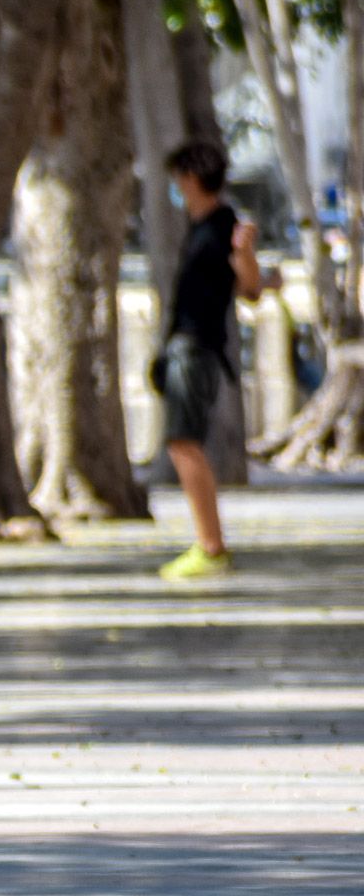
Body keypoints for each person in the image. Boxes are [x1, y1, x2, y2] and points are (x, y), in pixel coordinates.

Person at [154, 140, 261, 580]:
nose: (175, 188)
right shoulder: (203, 228)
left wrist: (247, 253)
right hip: (184, 346)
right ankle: (209, 544)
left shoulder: (222, 227)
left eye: (178, 180)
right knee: (182, 443)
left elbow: (250, 285)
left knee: (184, 442)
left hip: (196, 349)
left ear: (192, 180)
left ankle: (211, 546)